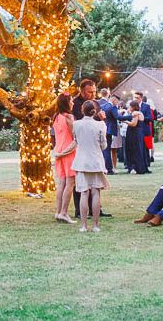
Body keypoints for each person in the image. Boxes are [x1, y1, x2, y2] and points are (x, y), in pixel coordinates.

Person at [72, 100, 109, 233]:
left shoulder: (76, 124)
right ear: (95, 111)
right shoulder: (100, 125)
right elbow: (104, 145)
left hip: (82, 162)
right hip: (95, 161)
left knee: (83, 193)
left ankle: (83, 225)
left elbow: (76, 141)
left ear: (82, 110)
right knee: (95, 192)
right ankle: (95, 225)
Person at [51, 92, 77, 224]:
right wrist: (64, 153)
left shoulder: (56, 117)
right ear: (66, 103)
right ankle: (64, 212)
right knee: (70, 183)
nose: (72, 103)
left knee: (62, 183)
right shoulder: (69, 117)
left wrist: (59, 153)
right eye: (71, 101)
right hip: (68, 153)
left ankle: (58, 211)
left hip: (59, 151)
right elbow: (74, 139)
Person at [97, 88, 121, 175]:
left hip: (104, 128)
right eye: (117, 101)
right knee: (107, 149)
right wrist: (130, 117)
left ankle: (105, 168)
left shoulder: (104, 106)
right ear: (114, 100)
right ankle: (109, 169)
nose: (117, 103)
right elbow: (118, 117)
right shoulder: (112, 107)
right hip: (109, 130)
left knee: (105, 149)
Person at [124, 99, 150, 174]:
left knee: (133, 150)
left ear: (133, 107)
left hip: (133, 133)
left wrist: (125, 121)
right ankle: (138, 167)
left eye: (130, 106)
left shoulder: (135, 113)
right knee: (138, 150)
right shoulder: (139, 113)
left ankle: (134, 167)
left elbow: (133, 124)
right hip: (138, 133)